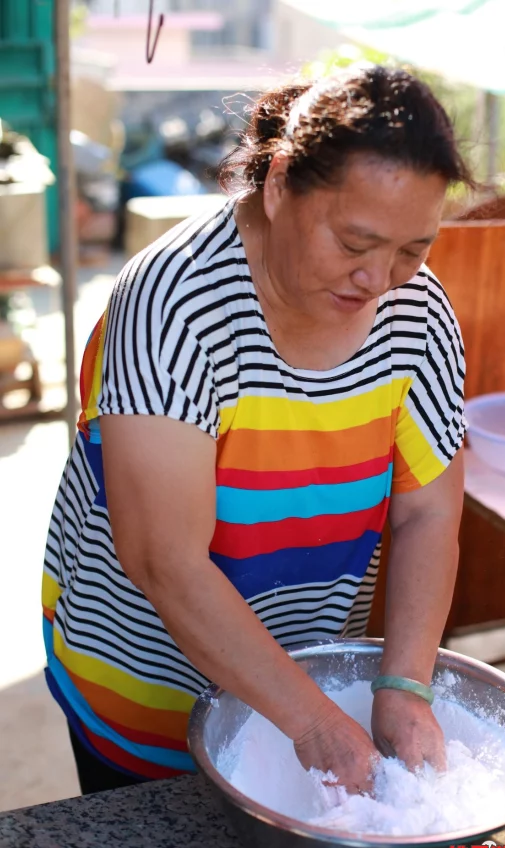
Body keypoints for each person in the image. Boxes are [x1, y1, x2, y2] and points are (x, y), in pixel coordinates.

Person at [42, 65, 470, 796]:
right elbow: (164, 560)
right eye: (354, 243)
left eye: (411, 249)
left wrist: (404, 683)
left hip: (306, 673)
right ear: (277, 185)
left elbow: (429, 509)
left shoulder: (417, 312)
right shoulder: (174, 301)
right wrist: (314, 726)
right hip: (147, 695)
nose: (380, 280)